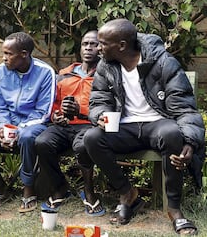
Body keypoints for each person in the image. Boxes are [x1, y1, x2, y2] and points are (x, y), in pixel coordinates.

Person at [83, 19, 204, 235]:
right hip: (125, 127)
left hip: (158, 124)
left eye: (102, 43)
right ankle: (127, 193)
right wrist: (100, 115)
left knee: (172, 133)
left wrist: (190, 141)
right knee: (92, 138)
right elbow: (98, 100)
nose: (98, 47)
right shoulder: (106, 65)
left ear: (121, 45)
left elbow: (185, 107)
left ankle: (174, 209)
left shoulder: (163, 63)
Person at [0, 31, 56, 213]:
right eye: (4, 53)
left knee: (26, 137)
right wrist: (4, 128)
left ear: (24, 54)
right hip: (6, 123)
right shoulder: (0, 72)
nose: (4, 58)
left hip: (34, 124)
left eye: (9, 54)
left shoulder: (45, 72)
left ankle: (28, 188)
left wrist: (18, 130)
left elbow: (44, 112)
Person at [35, 30, 105, 216]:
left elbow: (109, 109)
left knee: (83, 146)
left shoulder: (105, 76)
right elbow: (53, 106)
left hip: (90, 127)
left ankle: (89, 192)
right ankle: (60, 188)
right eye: (85, 44)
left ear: (102, 48)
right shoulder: (64, 75)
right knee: (42, 142)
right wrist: (56, 116)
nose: (89, 48)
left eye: (94, 44)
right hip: (64, 126)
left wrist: (81, 112)